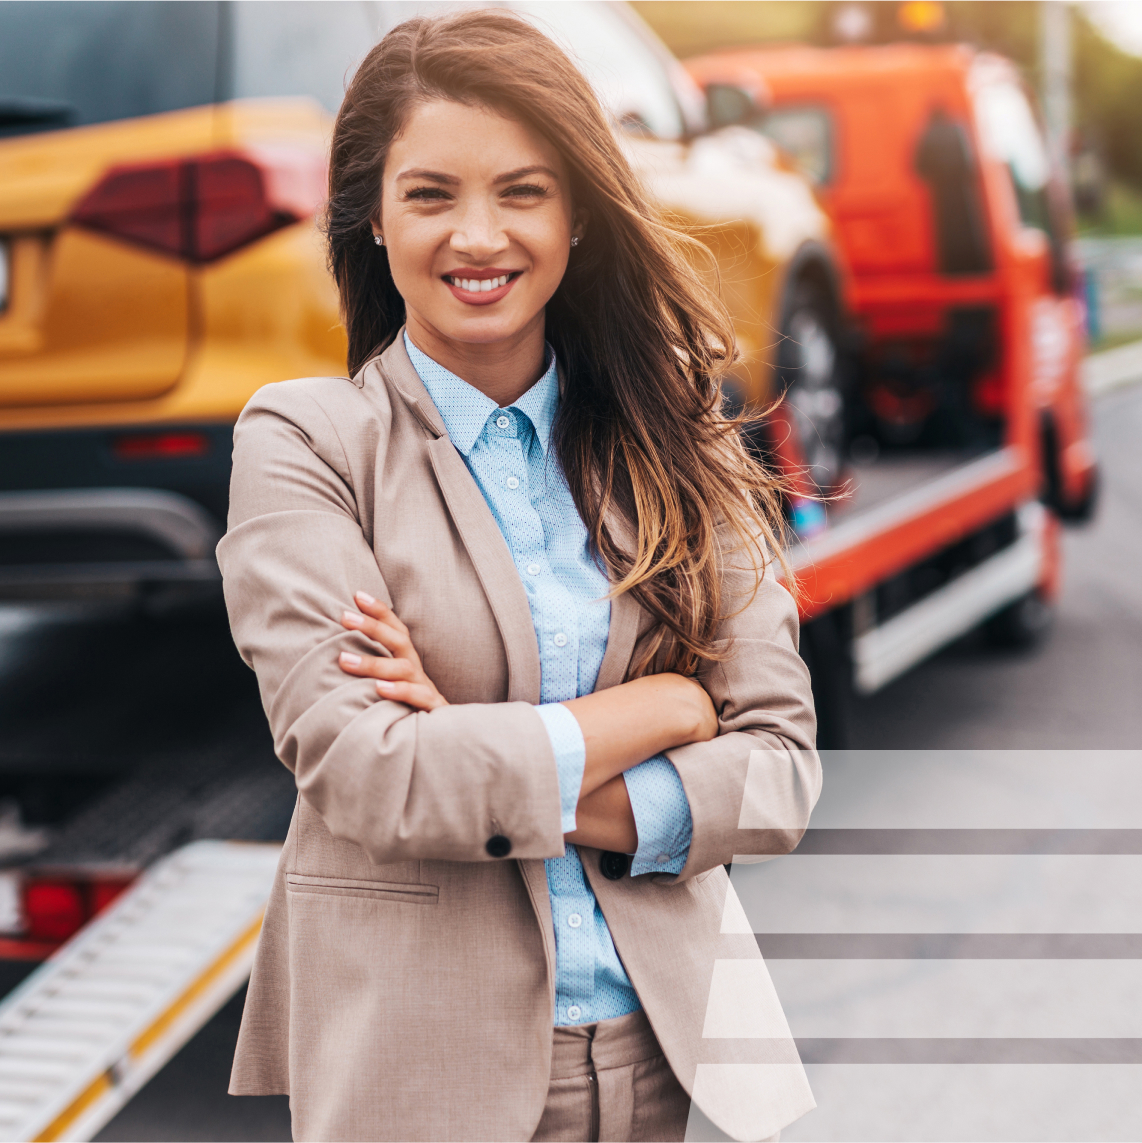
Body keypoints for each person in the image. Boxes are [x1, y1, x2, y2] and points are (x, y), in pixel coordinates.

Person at [217, 10, 821, 1142]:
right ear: (374, 218)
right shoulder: (305, 443)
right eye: (431, 194)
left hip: (667, 1052)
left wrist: (461, 733)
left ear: (580, 212)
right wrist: (666, 706)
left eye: (523, 191)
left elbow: (780, 769)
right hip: (422, 1077)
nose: (477, 236)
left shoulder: (675, 434)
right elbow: (373, 779)